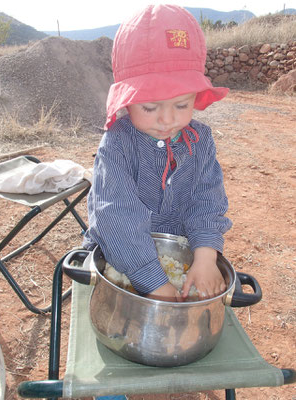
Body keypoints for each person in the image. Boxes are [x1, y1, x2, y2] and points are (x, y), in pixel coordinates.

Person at [83, 4, 232, 302]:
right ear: (126, 102)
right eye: (149, 108)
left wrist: (204, 258)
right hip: (119, 257)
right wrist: (154, 283)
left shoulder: (200, 140)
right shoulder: (117, 144)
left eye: (181, 105)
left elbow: (206, 201)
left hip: (177, 252)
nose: (167, 120)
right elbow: (116, 215)